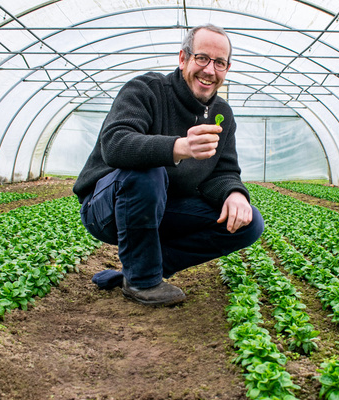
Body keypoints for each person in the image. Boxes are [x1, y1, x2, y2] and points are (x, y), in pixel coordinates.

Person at [73, 23, 264, 306]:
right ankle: (142, 282)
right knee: (148, 171)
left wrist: (234, 193)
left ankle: (141, 268)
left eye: (219, 63)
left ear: (227, 68)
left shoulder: (222, 113)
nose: (209, 70)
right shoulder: (146, 90)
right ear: (183, 58)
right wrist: (180, 147)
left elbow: (223, 170)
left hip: (163, 207)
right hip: (107, 207)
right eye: (202, 58)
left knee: (249, 223)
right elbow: (114, 143)